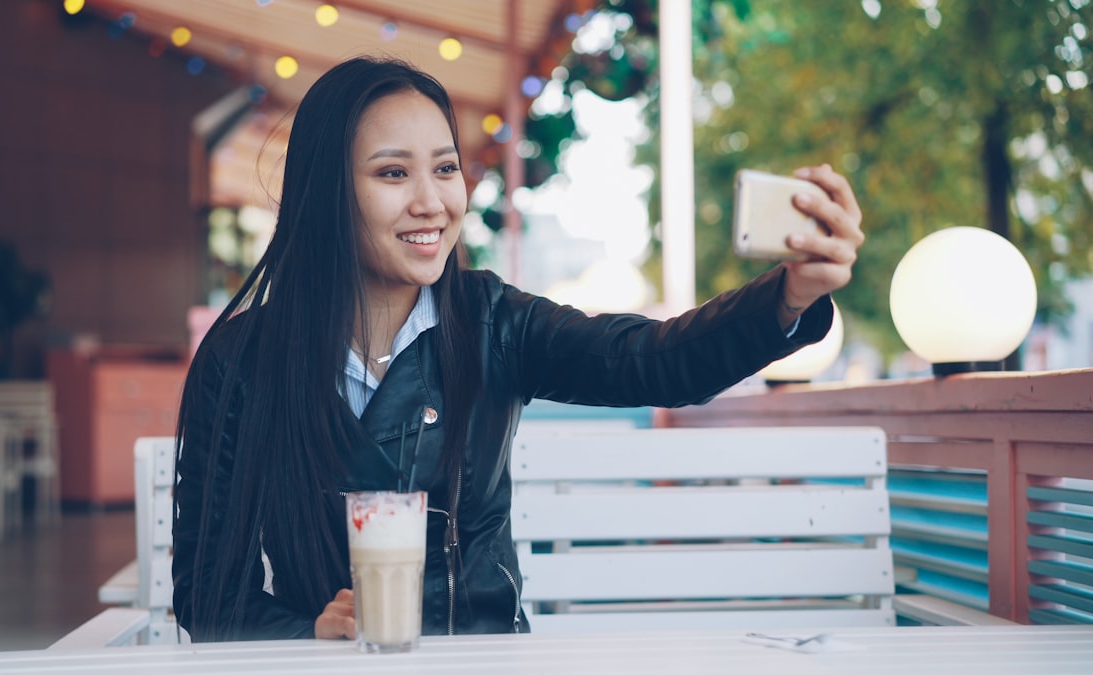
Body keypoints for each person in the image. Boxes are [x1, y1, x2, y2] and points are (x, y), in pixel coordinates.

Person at [172, 55, 864, 642]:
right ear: (327, 193)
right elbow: (207, 594)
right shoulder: (242, 361)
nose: (432, 202)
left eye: (445, 169)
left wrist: (788, 296)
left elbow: (651, 358)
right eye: (392, 174)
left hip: (487, 659)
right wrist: (311, 632)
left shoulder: (492, 321)